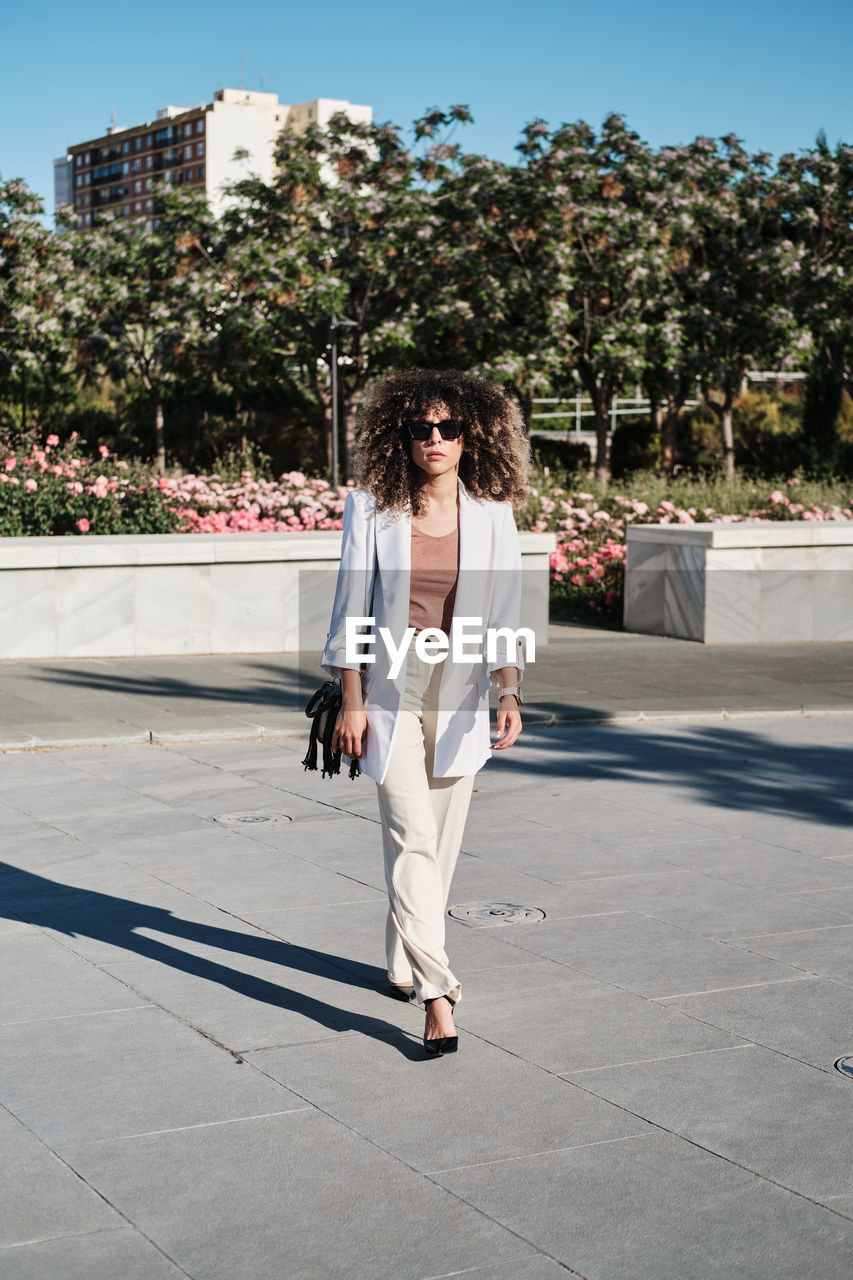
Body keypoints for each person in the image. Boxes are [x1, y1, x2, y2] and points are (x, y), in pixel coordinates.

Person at [321, 368, 530, 1057]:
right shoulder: (372, 509)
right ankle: (438, 994)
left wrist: (507, 691)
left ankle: (401, 962)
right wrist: (349, 699)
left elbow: (503, 615)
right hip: (389, 687)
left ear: (473, 435)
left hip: (463, 686)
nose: (434, 439)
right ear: (400, 436)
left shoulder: (493, 516)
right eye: (420, 428)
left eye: (448, 428)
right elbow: (350, 609)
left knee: (435, 844)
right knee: (411, 831)